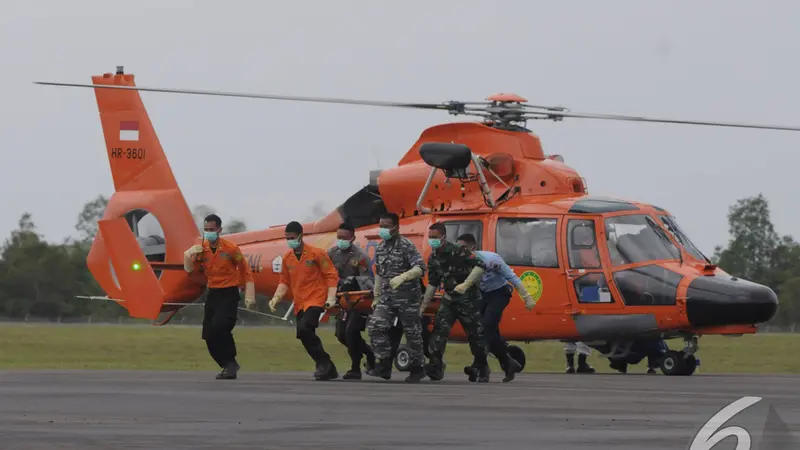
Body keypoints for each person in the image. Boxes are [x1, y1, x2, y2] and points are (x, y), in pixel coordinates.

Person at [456, 233, 536, 382]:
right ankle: (507, 363)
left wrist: (527, 297)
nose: (460, 251)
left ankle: (478, 365)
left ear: (472, 248)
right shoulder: (462, 262)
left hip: (499, 294)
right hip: (483, 295)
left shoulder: (491, 259)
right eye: (458, 248)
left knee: (486, 325)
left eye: (463, 248)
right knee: (487, 332)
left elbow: (512, 277)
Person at [183, 214, 255, 380]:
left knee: (221, 326)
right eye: (206, 230)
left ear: (219, 230)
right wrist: (187, 256)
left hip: (229, 292)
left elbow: (245, 270)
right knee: (208, 333)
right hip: (212, 293)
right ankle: (226, 364)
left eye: (212, 230)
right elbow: (191, 273)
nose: (208, 233)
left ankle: (230, 361)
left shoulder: (230, 249)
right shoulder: (201, 249)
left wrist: (249, 294)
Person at [268, 221, 340, 381]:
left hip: (316, 299)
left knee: (305, 328)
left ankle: (324, 364)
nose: (290, 241)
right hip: (300, 302)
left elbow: (331, 275)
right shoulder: (287, 258)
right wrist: (276, 298)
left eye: (292, 237)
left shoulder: (317, 254)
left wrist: (331, 297)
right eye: (287, 238)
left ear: (301, 236)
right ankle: (326, 366)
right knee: (302, 333)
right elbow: (284, 282)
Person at [420, 223, 490, 382]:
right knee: (438, 332)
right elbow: (432, 282)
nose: (432, 240)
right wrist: (423, 306)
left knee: (475, 335)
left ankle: (481, 366)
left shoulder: (458, 251)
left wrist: (466, 284)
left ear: (443, 237)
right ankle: (436, 366)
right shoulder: (433, 258)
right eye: (430, 237)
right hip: (449, 299)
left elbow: (481, 266)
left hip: (469, 299)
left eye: (435, 237)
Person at [367, 212, 427, 383]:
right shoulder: (380, 247)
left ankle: (418, 367)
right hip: (387, 296)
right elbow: (378, 273)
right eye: (381, 225)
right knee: (376, 326)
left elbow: (420, 268)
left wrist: (403, 277)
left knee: (412, 332)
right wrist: (376, 296)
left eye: (386, 226)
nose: (383, 229)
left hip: (407, 297)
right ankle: (384, 362)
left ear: (396, 227)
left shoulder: (406, 245)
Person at [328, 221, 376, 380]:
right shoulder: (331, 254)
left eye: (344, 237)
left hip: (359, 301)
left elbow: (369, 280)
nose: (341, 240)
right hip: (342, 301)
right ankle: (369, 353)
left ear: (352, 238)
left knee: (351, 333)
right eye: (338, 237)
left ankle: (355, 368)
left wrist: (352, 281)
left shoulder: (361, 256)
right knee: (341, 335)